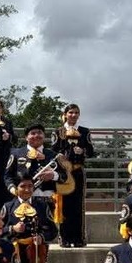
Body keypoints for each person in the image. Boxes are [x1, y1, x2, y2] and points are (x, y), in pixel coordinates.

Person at [52, 103, 96, 247]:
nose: (73, 115)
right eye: (70, 112)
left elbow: (91, 152)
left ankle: (78, 238)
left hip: (77, 171)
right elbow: (52, 151)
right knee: (63, 205)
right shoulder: (58, 131)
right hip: (63, 173)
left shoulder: (84, 131)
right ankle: (64, 238)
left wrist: (82, 151)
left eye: (76, 112)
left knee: (78, 205)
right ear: (65, 114)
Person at [4, 123, 63, 202]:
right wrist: (13, 189)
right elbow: (8, 176)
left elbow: (64, 176)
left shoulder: (53, 154)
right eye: (33, 133)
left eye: (39, 133)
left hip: (48, 199)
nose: (36, 135)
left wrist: (53, 175)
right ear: (26, 137)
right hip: (23, 198)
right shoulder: (16, 153)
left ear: (44, 136)